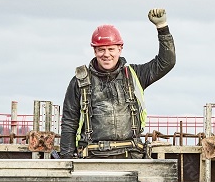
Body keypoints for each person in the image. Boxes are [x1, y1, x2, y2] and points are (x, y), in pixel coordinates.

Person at [59, 9, 176, 158]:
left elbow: (166, 63)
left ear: (120, 49)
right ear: (94, 51)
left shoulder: (134, 75)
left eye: (111, 49)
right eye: (101, 49)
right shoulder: (80, 81)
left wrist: (162, 27)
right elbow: (69, 122)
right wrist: (67, 161)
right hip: (92, 157)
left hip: (131, 155)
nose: (106, 54)